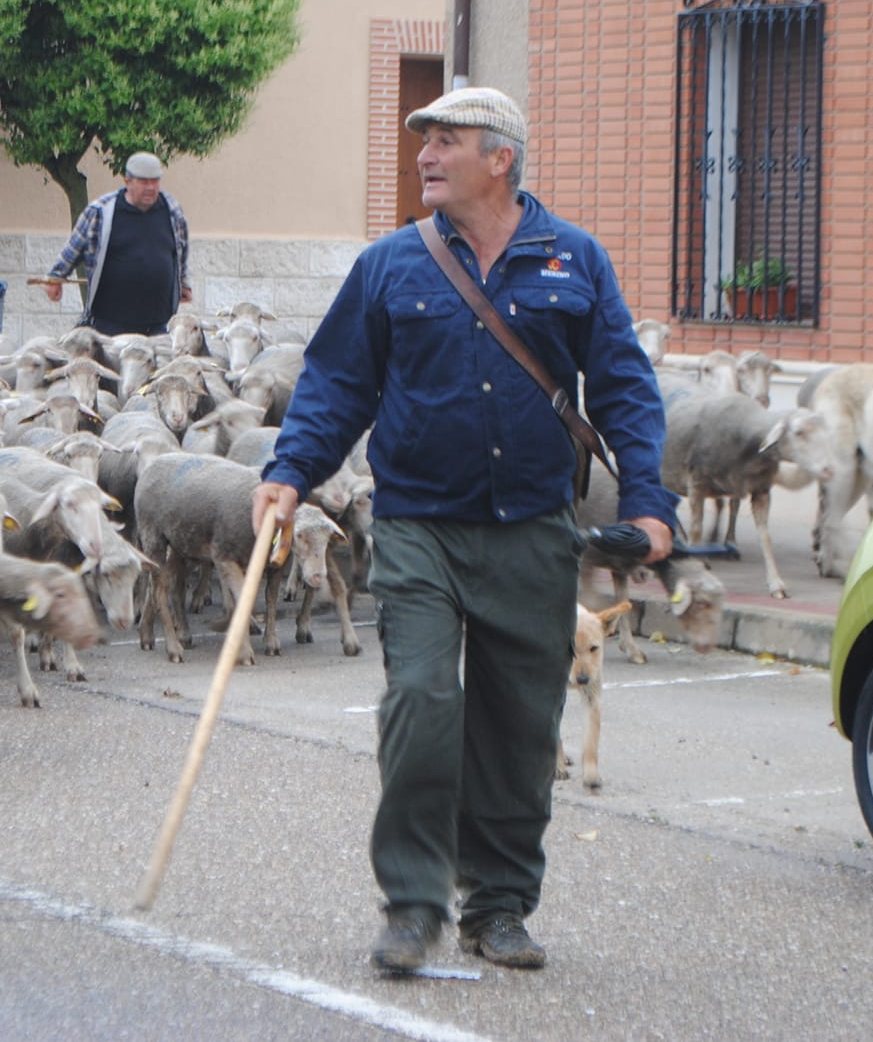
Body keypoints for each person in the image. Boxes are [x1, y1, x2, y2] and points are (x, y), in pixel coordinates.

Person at [249, 85, 674, 974]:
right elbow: (335, 383)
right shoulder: (391, 265)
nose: (426, 154)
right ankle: (411, 904)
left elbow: (625, 387)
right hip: (417, 527)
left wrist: (647, 503)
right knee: (422, 705)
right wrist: (288, 473)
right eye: (423, 141)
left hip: (533, 527)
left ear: (500, 158)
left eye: (446, 140)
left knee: (521, 725)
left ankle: (499, 905)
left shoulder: (575, 259)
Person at [40, 152, 193, 336]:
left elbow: (181, 250)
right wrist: (56, 277)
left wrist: (184, 283)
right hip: (109, 326)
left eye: (155, 181)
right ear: (127, 181)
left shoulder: (172, 210)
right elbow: (74, 246)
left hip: (158, 326)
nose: (150, 187)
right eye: (144, 182)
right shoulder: (101, 211)